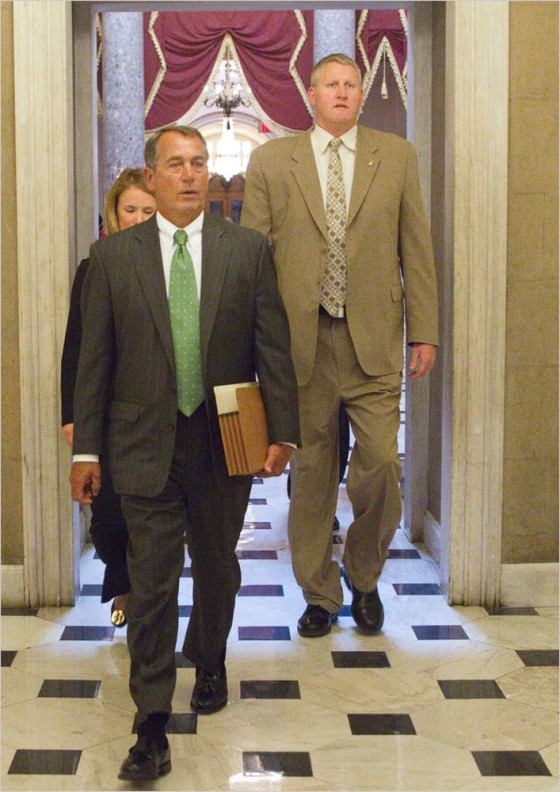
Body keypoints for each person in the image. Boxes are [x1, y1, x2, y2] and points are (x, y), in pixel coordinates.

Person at [70, 125, 300, 783]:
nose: (191, 174)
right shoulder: (114, 259)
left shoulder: (247, 251)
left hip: (223, 439)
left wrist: (280, 431)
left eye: (199, 163)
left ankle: (212, 655)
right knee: (150, 581)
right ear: (151, 175)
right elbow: (95, 363)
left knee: (218, 562)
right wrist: (86, 449)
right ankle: (149, 725)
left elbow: (272, 346)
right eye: (176, 164)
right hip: (142, 442)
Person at [241, 53, 438, 639]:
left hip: (374, 338)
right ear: (312, 92)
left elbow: (416, 247)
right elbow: (252, 259)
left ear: (360, 93)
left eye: (352, 83)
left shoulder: (395, 155)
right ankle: (320, 594)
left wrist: (424, 328)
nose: (343, 92)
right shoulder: (271, 161)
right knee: (313, 473)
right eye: (332, 83)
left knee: (380, 464)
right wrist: (250, 346)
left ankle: (365, 575)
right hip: (300, 346)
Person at [61, 168, 157, 626]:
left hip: (155, 416)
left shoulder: (175, 268)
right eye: (130, 210)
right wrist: (71, 414)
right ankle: (122, 586)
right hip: (106, 415)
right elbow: (76, 348)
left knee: (149, 516)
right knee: (108, 516)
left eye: (148, 211)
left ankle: (138, 596)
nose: (138, 219)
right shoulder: (94, 266)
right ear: (114, 214)